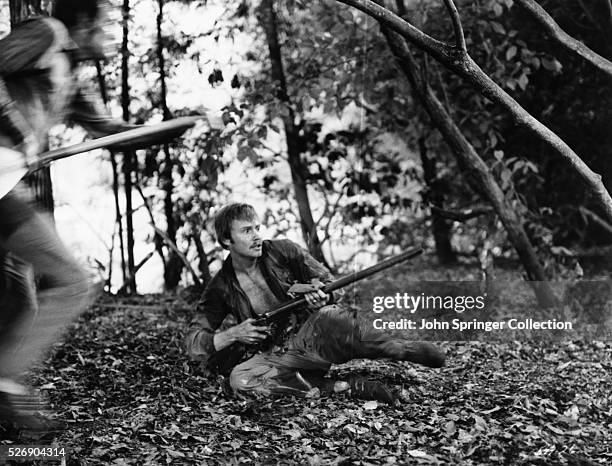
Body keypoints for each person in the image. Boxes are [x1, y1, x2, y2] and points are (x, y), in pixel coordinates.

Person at [0, 0, 145, 433]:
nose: (107, 36)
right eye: (102, 26)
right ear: (81, 25)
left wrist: (175, 127)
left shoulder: (73, 79)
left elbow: (111, 132)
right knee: (73, 282)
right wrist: (16, 128)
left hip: (8, 184)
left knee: (16, 299)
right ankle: (6, 388)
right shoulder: (46, 33)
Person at [185, 203, 445, 403]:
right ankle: (344, 386)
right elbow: (194, 342)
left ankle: (400, 349)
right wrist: (234, 333)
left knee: (334, 316)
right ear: (226, 241)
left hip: (316, 331)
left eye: (257, 228)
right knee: (241, 380)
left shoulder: (283, 251)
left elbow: (330, 284)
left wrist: (322, 293)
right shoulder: (221, 286)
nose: (256, 236)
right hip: (279, 353)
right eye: (246, 231)